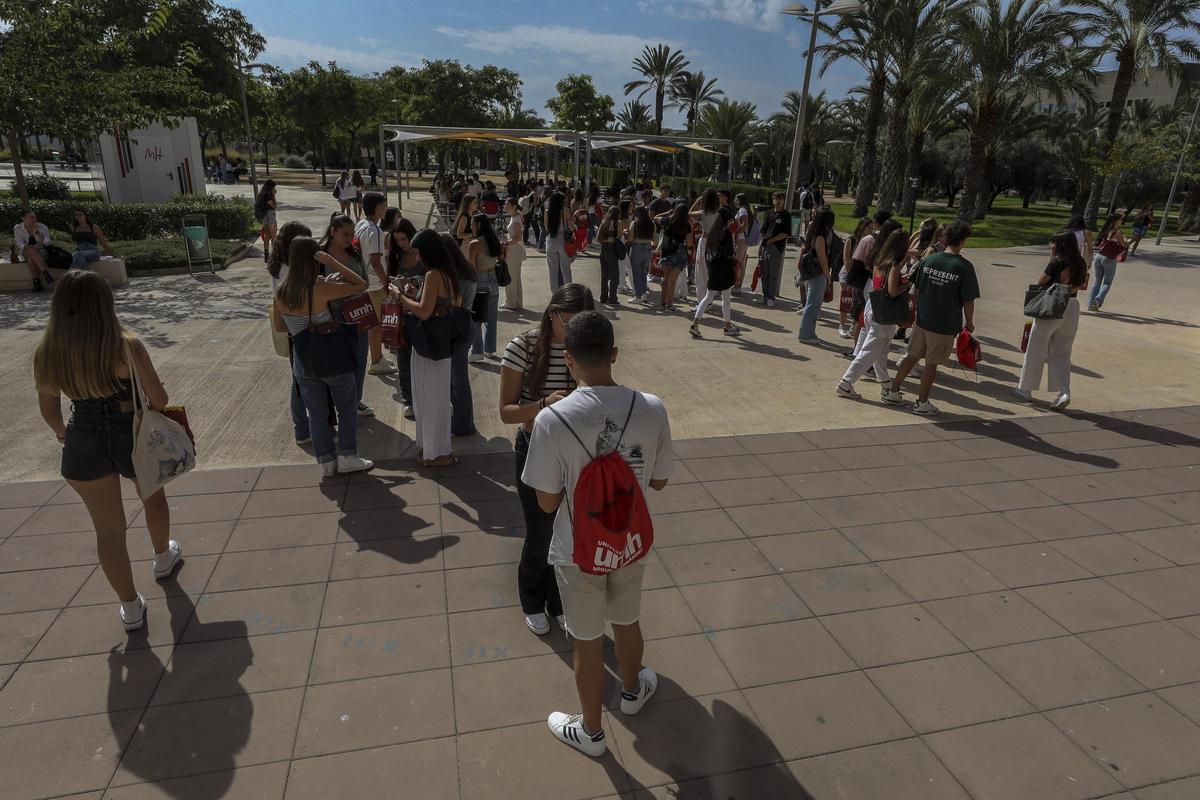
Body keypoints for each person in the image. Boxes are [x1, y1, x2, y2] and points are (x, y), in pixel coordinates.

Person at [520, 310, 673, 757]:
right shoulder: (652, 406)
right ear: (615, 355)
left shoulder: (552, 419)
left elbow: (547, 503)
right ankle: (632, 690)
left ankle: (590, 733)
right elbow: (659, 482)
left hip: (578, 550)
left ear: (569, 360)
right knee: (627, 619)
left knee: (587, 642)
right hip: (629, 541)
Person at [34, 271, 183, 632]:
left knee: (108, 531)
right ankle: (163, 557)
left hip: (82, 434)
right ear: (104, 305)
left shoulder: (49, 352)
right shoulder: (125, 345)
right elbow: (159, 399)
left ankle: (130, 606)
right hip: (129, 429)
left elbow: (50, 410)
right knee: (152, 497)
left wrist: (62, 436)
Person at [500, 284, 596, 636]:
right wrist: (543, 405)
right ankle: (532, 600)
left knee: (569, 532)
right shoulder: (523, 346)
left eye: (582, 322)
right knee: (540, 532)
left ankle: (558, 603)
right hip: (535, 446)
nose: (572, 330)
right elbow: (507, 412)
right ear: (551, 312)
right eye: (567, 321)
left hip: (576, 450)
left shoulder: (585, 345)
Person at [273, 237, 375, 476]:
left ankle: (326, 462)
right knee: (347, 408)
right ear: (313, 259)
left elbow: (280, 326)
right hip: (332, 358)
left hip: (304, 361)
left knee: (316, 413)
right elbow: (360, 285)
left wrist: (302, 323)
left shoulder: (281, 291)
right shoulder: (319, 288)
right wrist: (333, 263)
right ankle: (348, 456)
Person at [882, 221, 980, 415]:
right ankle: (922, 402)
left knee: (911, 356)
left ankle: (892, 391)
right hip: (944, 324)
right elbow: (968, 301)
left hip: (923, 319)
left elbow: (916, 288)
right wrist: (969, 322)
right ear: (963, 241)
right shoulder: (964, 267)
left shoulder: (929, 260)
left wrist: (918, 310)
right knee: (932, 364)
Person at [398, 231, 462, 468]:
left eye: (417, 251)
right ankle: (439, 448)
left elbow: (424, 312)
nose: (416, 256)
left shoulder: (433, 274)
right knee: (438, 395)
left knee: (427, 395)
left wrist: (401, 296)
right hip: (442, 341)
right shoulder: (449, 273)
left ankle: (435, 452)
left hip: (428, 342)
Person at [1014, 230, 1088, 411]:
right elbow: (1081, 285)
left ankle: (1025, 389)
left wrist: (1051, 262)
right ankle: (1063, 392)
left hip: (1053, 307)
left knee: (1036, 349)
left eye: (1053, 243)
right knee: (1062, 353)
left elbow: (1041, 281)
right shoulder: (1081, 263)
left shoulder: (1057, 262)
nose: (1051, 246)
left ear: (1060, 245)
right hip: (1072, 306)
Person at [836, 228, 908, 398]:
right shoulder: (894, 265)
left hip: (873, 305)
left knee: (880, 351)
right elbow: (892, 291)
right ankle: (846, 383)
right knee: (869, 351)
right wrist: (905, 284)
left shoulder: (880, 260)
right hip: (884, 313)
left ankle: (886, 384)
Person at [320, 214, 373, 417]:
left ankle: (355, 399)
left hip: (358, 310)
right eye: (345, 234)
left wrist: (348, 287)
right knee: (336, 362)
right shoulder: (321, 254)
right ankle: (337, 403)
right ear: (333, 231)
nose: (349, 238)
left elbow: (365, 282)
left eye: (352, 234)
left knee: (359, 358)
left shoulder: (355, 253)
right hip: (332, 314)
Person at [268, 222, 314, 444]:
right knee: (300, 382)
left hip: (292, 329)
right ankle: (302, 428)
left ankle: (303, 427)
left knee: (298, 381)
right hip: (299, 330)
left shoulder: (279, 265)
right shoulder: (289, 271)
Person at [439, 232, 478, 437]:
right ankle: (463, 422)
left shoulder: (456, 277)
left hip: (457, 328)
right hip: (467, 325)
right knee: (458, 378)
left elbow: (454, 305)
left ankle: (463, 424)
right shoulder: (467, 270)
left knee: (458, 380)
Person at [356, 192, 396, 377]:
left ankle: (377, 356)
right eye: (384, 206)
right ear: (377, 208)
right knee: (376, 325)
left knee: (373, 324)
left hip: (364, 283)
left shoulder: (361, 225)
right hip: (375, 284)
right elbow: (376, 261)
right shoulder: (376, 231)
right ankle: (376, 361)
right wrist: (386, 282)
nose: (386, 209)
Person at [385, 217, 420, 419]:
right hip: (401, 313)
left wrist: (413, 282)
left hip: (419, 311)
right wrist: (393, 285)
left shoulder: (421, 254)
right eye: (397, 240)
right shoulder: (395, 257)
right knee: (403, 358)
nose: (401, 243)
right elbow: (387, 282)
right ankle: (409, 399)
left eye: (403, 239)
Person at [689, 206, 740, 338]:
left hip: (713, 266)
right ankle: (727, 325)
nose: (731, 223)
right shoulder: (727, 234)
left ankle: (695, 323)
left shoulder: (711, 231)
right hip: (724, 268)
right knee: (726, 298)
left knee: (708, 296)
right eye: (730, 220)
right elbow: (729, 253)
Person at [468, 212, 502, 361]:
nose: (471, 227)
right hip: (493, 277)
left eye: (472, 224)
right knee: (491, 317)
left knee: (476, 317)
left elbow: (471, 268)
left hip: (480, 279)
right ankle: (490, 349)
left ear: (479, 225)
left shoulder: (475, 244)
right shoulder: (494, 240)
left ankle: (477, 351)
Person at [797, 208, 835, 343]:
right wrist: (828, 275)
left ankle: (810, 332)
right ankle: (805, 334)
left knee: (814, 304)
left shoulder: (814, 233)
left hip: (814, 273)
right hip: (818, 273)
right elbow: (822, 258)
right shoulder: (820, 236)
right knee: (812, 304)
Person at [839, 217, 873, 337]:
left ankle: (853, 326)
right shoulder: (852, 240)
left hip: (859, 274)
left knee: (858, 301)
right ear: (862, 227)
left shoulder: (870, 241)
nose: (871, 230)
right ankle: (842, 325)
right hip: (848, 272)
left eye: (872, 228)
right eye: (869, 227)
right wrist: (850, 276)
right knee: (846, 298)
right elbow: (846, 259)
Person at [1088, 211, 1126, 312]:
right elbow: (1123, 246)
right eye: (1121, 219)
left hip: (1099, 256)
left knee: (1097, 282)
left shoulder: (1105, 230)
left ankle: (1090, 303)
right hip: (1109, 258)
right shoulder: (1118, 233)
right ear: (1116, 221)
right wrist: (1125, 241)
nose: (1122, 221)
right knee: (1107, 283)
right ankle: (1098, 300)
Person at [759, 192, 791, 307]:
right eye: (775, 199)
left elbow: (785, 233)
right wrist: (764, 241)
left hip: (776, 247)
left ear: (783, 201)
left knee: (773, 274)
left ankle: (771, 298)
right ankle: (765, 295)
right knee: (764, 273)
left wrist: (772, 240)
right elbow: (763, 229)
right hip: (766, 246)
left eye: (780, 199)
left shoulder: (786, 215)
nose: (777, 201)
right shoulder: (769, 213)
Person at [689, 188, 721, 299]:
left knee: (701, 273)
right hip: (716, 243)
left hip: (705, 242)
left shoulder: (703, 212)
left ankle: (703, 300)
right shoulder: (720, 211)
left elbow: (689, 213)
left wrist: (697, 201)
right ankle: (709, 299)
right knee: (710, 271)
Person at [14, 210, 54, 291]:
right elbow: (20, 244)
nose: (34, 219)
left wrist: (37, 232)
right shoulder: (17, 228)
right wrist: (30, 247)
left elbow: (47, 242)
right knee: (31, 251)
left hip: (42, 251)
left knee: (30, 258)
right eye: (31, 217)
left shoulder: (42, 227)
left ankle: (36, 283)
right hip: (26, 251)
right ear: (23, 218)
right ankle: (45, 272)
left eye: (35, 217)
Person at [545, 191, 574, 290]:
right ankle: (568, 292)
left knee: (552, 270)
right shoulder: (565, 210)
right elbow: (571, 227)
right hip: (563, 240)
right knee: (566, 269)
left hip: (551, 239)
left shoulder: (547, 211)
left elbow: (546, 228)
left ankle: (555, 293)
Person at [626, 206, 655, 306]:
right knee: (643, 272)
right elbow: (653, 238)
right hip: (648, 248)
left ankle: (637, 296)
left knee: (636, 273)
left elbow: (630, 238)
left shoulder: (634, 223)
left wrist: (626, 232)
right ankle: (643, 294)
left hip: (637, 247)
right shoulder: (651, 223)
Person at [502, 197, 526, 310]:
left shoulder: (516, 218)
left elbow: (517, 238)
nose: (506, 208)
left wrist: (506, 243)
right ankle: (517, 302)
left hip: (514, 250)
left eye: (508, 206)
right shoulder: (515, 217)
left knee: (511, 277)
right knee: (516, 278)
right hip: (514, 250)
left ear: (514, 206)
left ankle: (511, 302)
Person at [596, 207, 621, 305]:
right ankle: (613, 298)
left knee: (604, 275)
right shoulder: (617, 223)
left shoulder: (604, 222)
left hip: (604, 248)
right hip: (612, 249)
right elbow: (619, 236)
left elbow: (598, 238)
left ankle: (603, 297)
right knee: (615, 276)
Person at [254, 181, 279, 264]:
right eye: (274, 187)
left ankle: (266, 255)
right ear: (271, 187)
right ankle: (275, 256)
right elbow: (274, 206)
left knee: (267, 236)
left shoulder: (262, 194)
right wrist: (274, 196)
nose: (274, 189)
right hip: (270, 216)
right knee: (273, 237)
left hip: (265, 217)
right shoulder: (268, 196)